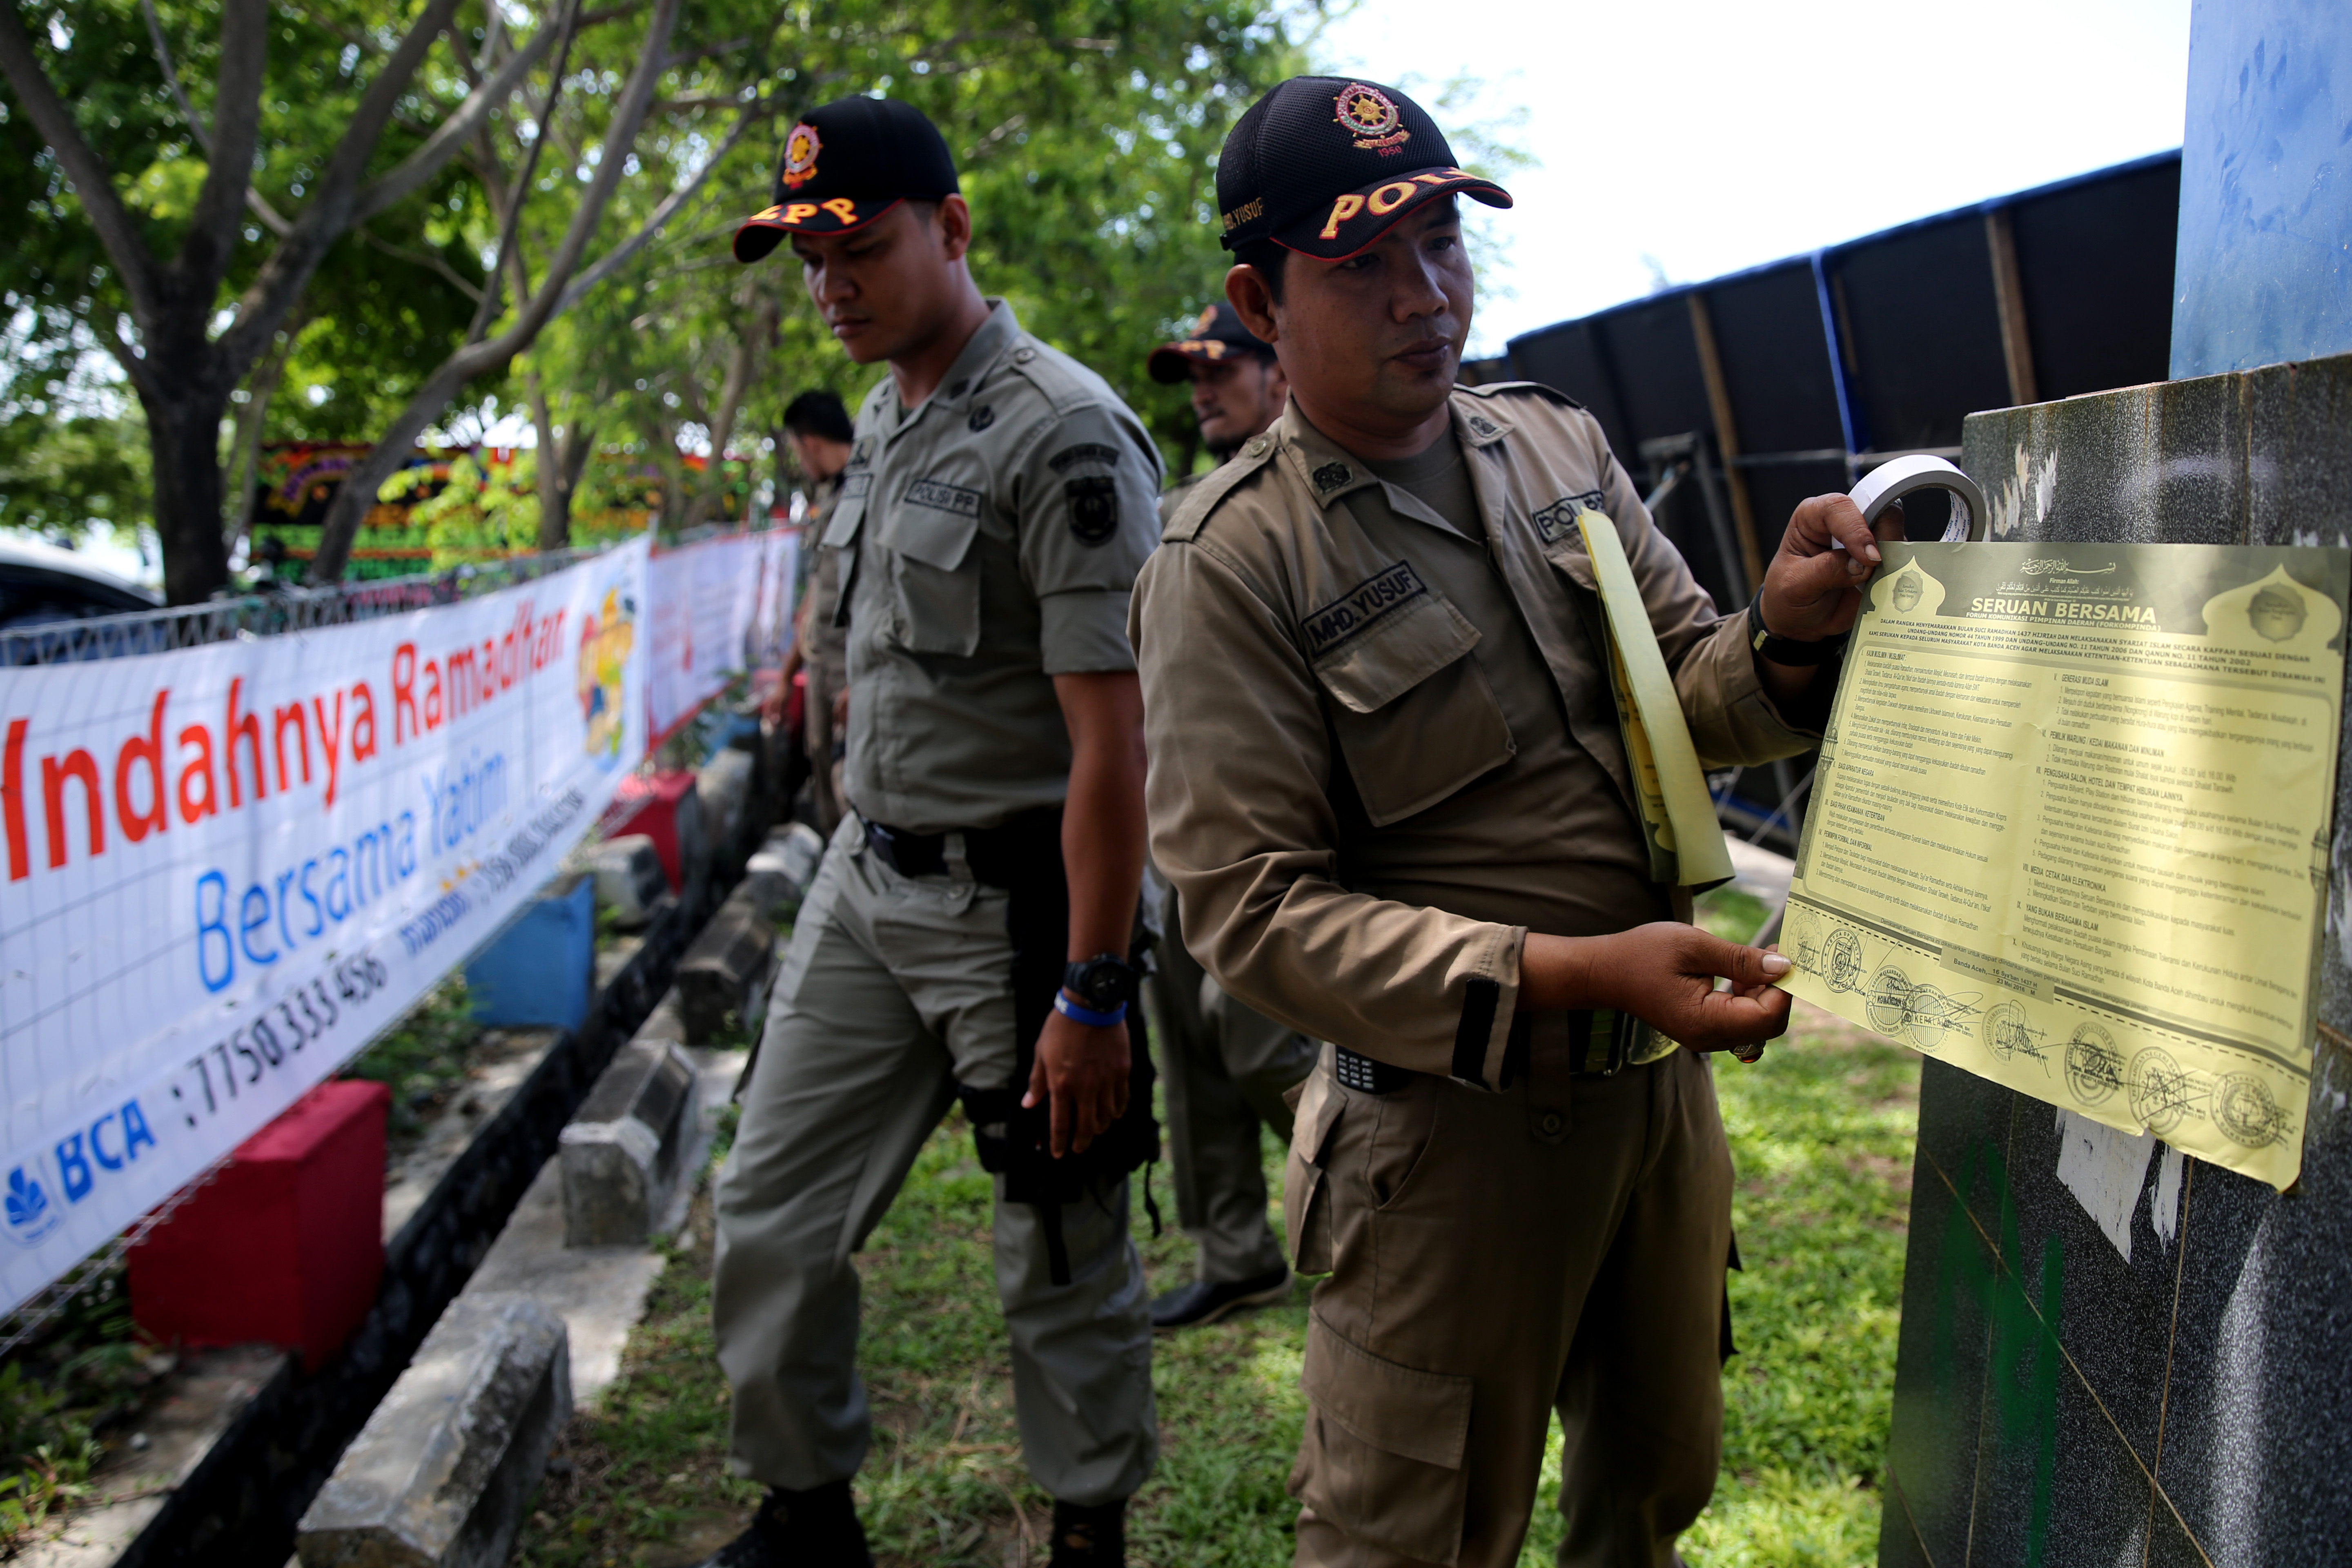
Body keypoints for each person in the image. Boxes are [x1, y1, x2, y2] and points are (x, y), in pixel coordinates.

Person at [1128, 76, 1902, 1568]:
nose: (1423, 295)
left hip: (1655, 1108)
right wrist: (1570, 972)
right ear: (1261, 302)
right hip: (1442, 1148)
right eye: (1364, 263)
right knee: (1411, 1539)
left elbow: (1688, 686)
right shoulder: (1230, 561)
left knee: (1650, 1495)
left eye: (1439, 242)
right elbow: (1250, 910)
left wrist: (1784, 632)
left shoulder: (1555, 447)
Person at [705, 96, 1166, 1568]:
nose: (830, 285)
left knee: (1057, 1246)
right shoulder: (884, 416)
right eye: (809, 260)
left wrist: (1094, 989)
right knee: (767, 1213)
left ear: (952, 229)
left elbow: (1117, 748)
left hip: (1018, 902)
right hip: (867, 876)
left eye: (860, 247)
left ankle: (1086, 1530)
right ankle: (806, 1515)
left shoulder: (1064, 431)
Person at [1137, 303, 1315, 1331]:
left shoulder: (1313, 494)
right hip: (1176, 827)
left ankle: (1389, 1198)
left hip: (1276, 833)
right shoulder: (1177, 507)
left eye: (1220, 369)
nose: (1202, 389)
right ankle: (1235, 1253)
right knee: (1193, 1055)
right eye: (1192, 376)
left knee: (1258, 1041)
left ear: (1275, 372)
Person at [779, 389, 855, 835]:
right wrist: (787, 675)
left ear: (809, 443)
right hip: (823, 665)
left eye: (796, 450)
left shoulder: (868, 492)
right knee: (822, 762)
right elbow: (816, 597)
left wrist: (863, 678)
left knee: (853, 783)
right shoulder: (830, 498)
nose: (799, 461)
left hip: (851, 669)